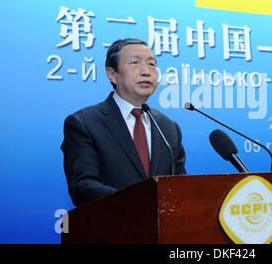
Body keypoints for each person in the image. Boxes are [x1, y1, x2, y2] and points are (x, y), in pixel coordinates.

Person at [61, 38, 186, 207]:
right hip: (112, 227)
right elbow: (82, 187)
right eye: (135, 62)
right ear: (112, 74)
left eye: (151, 64)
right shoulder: (84, 123)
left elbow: (180, 185)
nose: (146, 71)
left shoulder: (168, 127)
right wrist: (138, 202)